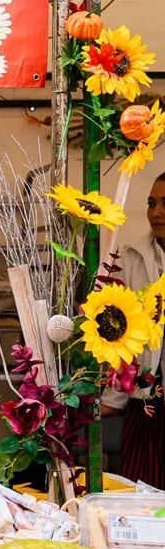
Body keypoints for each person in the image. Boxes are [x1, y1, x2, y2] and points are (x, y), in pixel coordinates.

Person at [103, 172, 165, 487]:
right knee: (140, 493)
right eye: (152, 203)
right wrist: (112, 400)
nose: (156, 212)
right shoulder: (131, 258)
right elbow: (120, 339)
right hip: (148, 402)